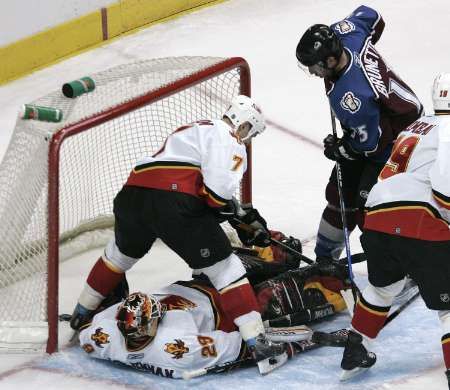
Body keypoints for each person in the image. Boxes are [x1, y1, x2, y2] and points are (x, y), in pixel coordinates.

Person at [69, 95, 285, 374]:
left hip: (132, 194)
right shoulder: (230, 138)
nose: (247, 138)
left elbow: (198, 184)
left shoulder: (195, 127)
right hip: (172, 202)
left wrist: (226, 210)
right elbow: (217, 193)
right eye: (250, 133)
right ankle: (258, 342)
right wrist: (229, 210)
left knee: (118, 255)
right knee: (226, 270)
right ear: (244, 126)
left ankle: (81, 313)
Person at [77, 243, 354, 379]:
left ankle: (282, 260)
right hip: (227, 307)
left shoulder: (102, 334)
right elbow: (252, 345)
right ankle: (328, 281)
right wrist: (313, 339)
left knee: (250, 255)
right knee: (302, 290)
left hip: (199, 282)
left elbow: (88, 329)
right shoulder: (179, 350)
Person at [338, 73, 450, 388]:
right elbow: (445, 190)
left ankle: (355, 350)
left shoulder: (419, 125)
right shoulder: (449, 131)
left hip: (377, 215)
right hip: (420, 218)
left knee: (381, 288)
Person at [295, 5, 423, 261]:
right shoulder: (347, 34)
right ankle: (325, 260)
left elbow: (370, 145)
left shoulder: (352, 96)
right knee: (339, 196)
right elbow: (372, 15)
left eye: (314, 66)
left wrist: (342, 149)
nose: (311, 72)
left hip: (397, 138)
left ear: (330, 60)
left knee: (371, 209)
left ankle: (399, 267)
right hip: (380, 121)